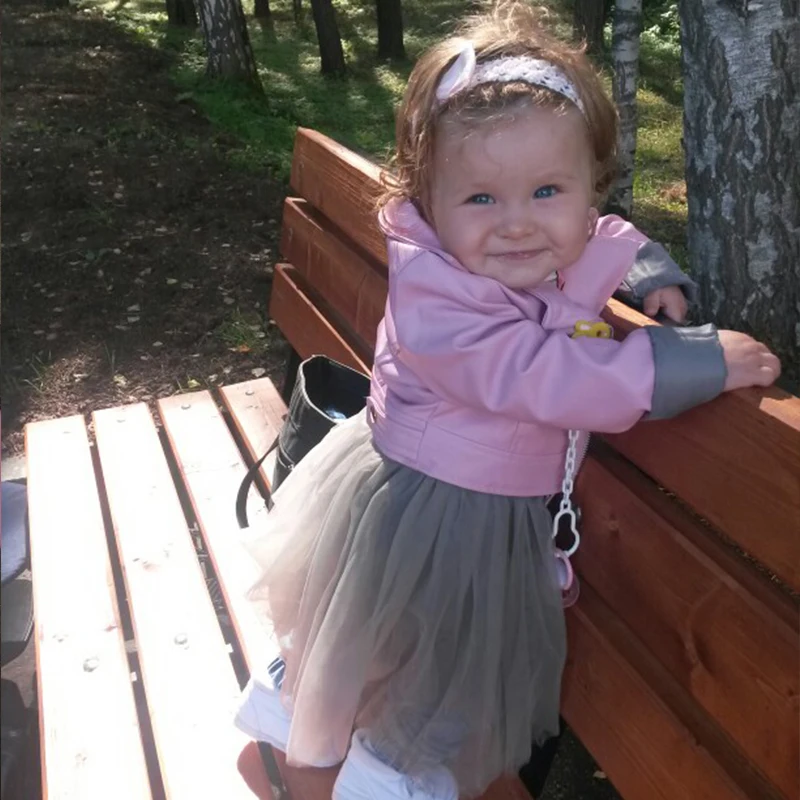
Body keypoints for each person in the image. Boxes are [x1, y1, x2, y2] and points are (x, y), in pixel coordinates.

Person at [233, 3, 781, 798]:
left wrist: (645, 270)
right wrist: (689, 362)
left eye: (546, 189)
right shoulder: (438, 300)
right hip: (426, 520)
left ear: (588, 188)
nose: (519, 225)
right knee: (393, 677)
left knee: (389, 666)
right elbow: (540, 372)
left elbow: (592, 233)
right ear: (428, 200)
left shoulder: (517, 246)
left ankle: (329, 758)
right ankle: (315, 775)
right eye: (482, 199)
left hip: (471, 518)